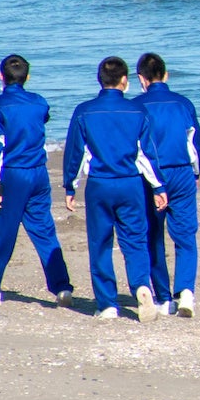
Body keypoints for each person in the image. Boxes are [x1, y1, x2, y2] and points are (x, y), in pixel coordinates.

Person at [63, 56, 168, 319]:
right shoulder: (137, 111)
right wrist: (158, 186)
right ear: (125, 81)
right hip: (130, 183)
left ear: (100, 80)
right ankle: (142, 285)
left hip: (99, 184)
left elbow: (76, 153)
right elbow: (146, 154)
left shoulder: (84, 110)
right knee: (135, 239)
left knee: (100, 242)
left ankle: (107, 304)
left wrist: (70, 186)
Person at [0, 54, 74, 307]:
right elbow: (44, 116)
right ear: (27, 77)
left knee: (3, 232)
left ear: (1, 77)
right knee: (44, 229)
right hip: (39, 172)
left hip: (14, 173)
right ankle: (62, 287)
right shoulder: (39, 103)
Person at [134, 52, 200, 318]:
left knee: (154, 234)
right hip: (182, 172)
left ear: (141, 79)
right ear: (165, 75)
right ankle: (186, 292)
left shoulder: (137, 106)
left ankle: (164, 298)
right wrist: (196, 173)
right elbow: (194, 144)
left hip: (152, 175)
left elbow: (137, 148)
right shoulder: (183, 103)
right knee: (186, 234)